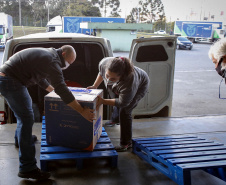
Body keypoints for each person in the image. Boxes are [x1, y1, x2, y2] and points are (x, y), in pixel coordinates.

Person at [0, 45, 95, 180]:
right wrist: (81, 111)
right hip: (11, 81)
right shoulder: (52, 61)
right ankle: (27, 168)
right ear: (63, 54)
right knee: (26, 118)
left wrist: (53, 92)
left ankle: (20, 140)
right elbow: (61, 87)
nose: (68, 65)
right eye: (69, 62)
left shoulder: (48, 55)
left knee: (22, 116)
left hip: (8, 79)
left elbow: (41, 79)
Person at [87, 57, 150, 152]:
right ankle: (114, 120)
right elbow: (101, 73)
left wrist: (103, 101)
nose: (108, 80)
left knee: (125, 111)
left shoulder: (130, 80)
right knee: (114, 98)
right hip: (122, 85)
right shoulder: (104, 63)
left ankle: (126, 143)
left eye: (112, 78)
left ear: (121, 76)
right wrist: (95, 86)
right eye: (107, 76)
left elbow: (122, 102)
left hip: (139, 86)